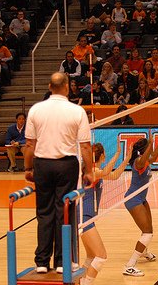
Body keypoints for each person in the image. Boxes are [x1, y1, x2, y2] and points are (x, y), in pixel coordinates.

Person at [23, 72, 93, 274]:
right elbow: (86, 147)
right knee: (64, 212)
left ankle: (42, 262)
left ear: (49, 86)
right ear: (67, 87)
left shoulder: (37, 109)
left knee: (44, 213)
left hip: (42, 164)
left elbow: (29, 144)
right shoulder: (76, 111)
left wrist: (28, 168)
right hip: (66, 165)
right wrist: (89, 172)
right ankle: (62, 262)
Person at [79, 141, 133, 285]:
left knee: (91, 256)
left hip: (86, 218)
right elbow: (105, 172)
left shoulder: (94, 171)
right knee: (101, 256)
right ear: (102, 155)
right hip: (84, 218)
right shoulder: (92, 171)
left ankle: (78, 281)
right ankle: (85, 283)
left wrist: (126, 159)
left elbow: (114, 175)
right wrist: (117, 154)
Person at [123, 129, 158, 277]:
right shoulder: (138, 162)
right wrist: (151, 143)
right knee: (147, 233)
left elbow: (153, 157)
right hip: (133, 199)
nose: (151, 150)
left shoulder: (145, 161)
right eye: (149, 147)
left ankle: (144, 251)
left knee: (149, 230)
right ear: (144, 150)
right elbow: (147, 157)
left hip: (142, 199)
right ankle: (129, 265)